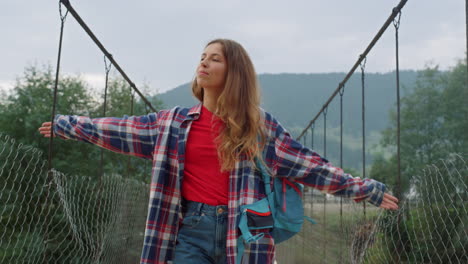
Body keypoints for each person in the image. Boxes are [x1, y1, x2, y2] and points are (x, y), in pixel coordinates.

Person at [39, 38, 399, 264]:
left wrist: (366, 188)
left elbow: (310, 166)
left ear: (235, 71)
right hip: (190, 230)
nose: (204, 62)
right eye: (202, 56)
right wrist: (66, 125)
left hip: (248, 230)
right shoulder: (171, 124)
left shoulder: (261, 127)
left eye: (215, 58)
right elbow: (117, 129)